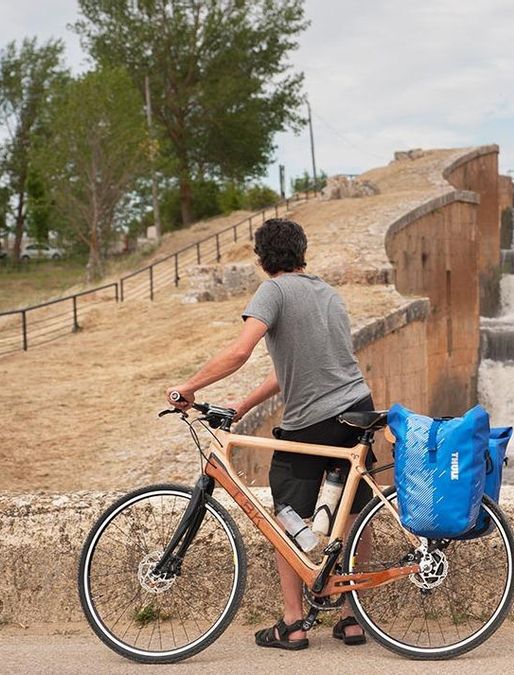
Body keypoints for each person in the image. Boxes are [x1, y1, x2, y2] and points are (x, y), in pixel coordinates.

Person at [167, 218, 373, 650]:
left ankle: (294, 623)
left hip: (311, 423)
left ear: (262, 260)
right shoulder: (328, 294)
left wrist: (188, 388)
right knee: (354, 513)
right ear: (302, 252)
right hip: (357, 410)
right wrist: (241, 406)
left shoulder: (273, 291)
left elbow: (241, 350)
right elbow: (297, 370)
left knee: (285, 516)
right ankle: (355, 619)